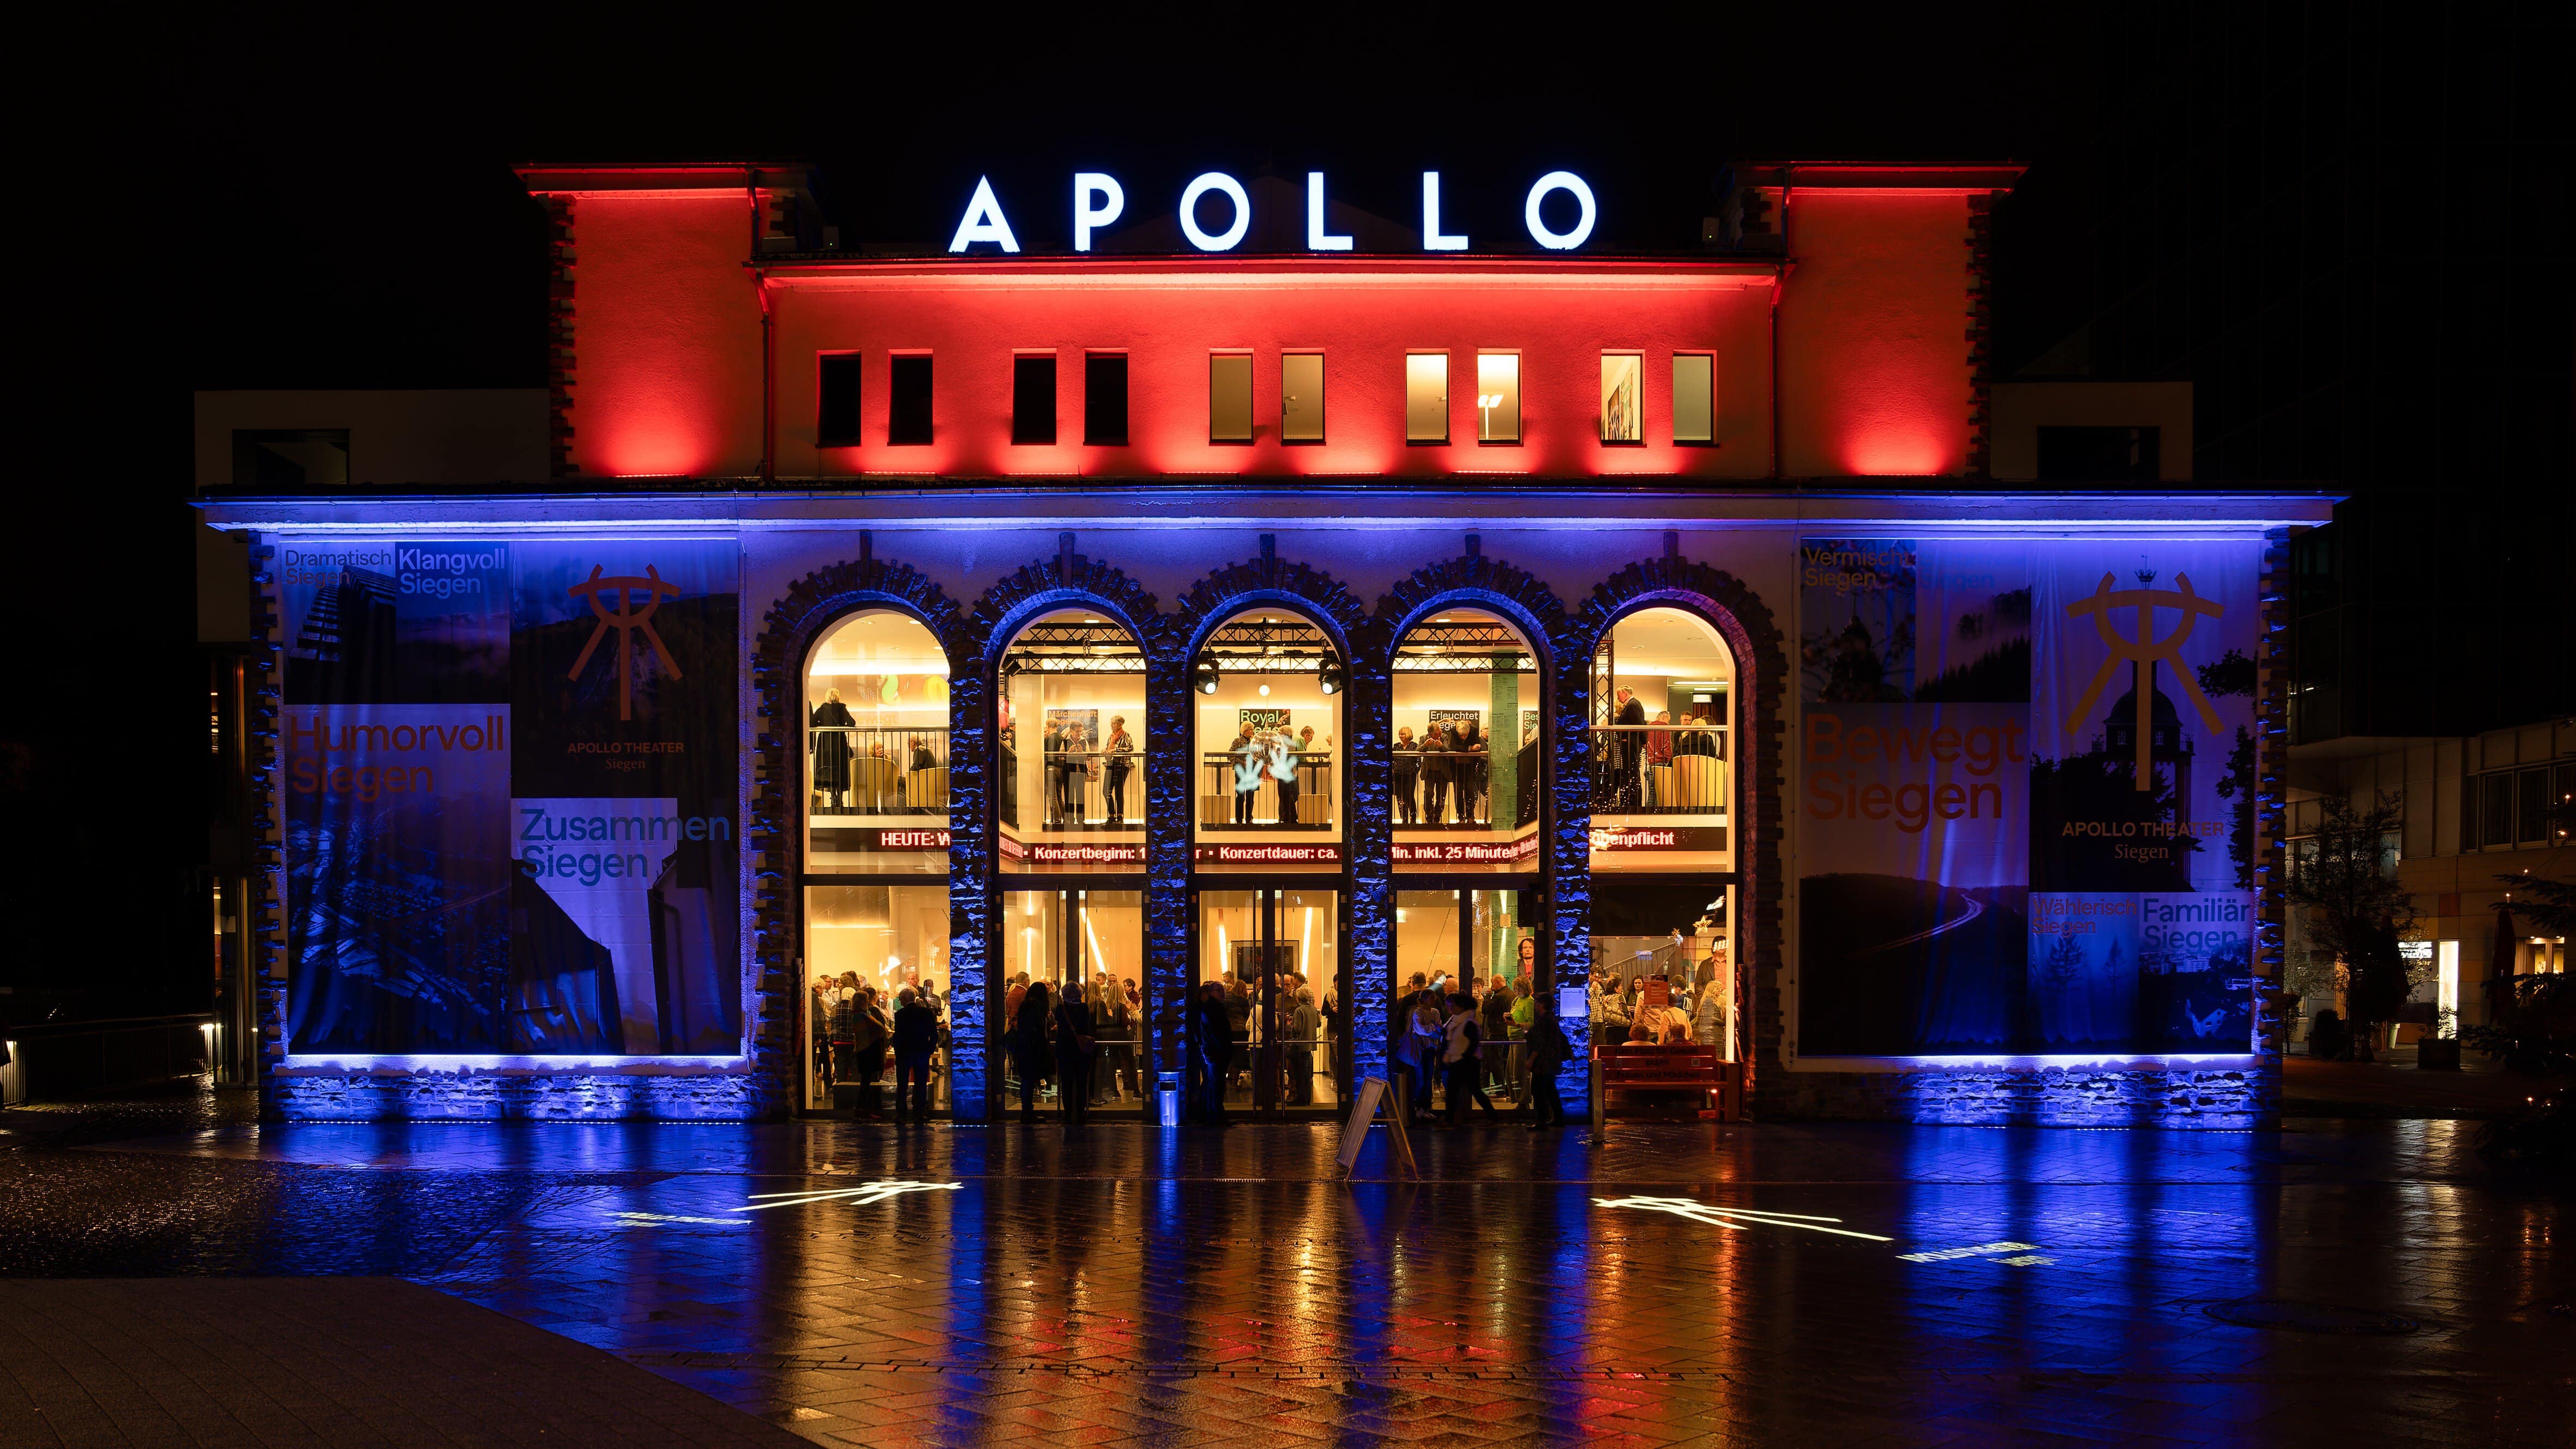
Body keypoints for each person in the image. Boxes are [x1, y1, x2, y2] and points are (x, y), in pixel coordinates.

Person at [1441, 992, 1492, 1125]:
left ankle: (1492, 1116)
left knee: (1473, 1091)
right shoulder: (1456, 1021)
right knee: (1454, 1091)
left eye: (1452, 1006)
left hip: (1467, 1063)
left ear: (1461, 1007)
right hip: (1457, 1061)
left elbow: (1473, 1044)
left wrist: (1463, 1057)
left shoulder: (1468, 1023)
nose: (1450, 1008)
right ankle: (1449, 1119)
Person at [1052, 983, 1097, 1127]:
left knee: (1066, 1084)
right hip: (1081, 1050)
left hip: (1065, 1049)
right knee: (1081, 1083)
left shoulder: (1060, 1009)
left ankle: (1068, 1114)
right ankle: (1081, 1113)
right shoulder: (1084, 1008)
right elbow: (1088, 1027)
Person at [891, 985, 938, 1120]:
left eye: (900, 999)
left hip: (905, 1053)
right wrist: (929, 1049)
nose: (900, 1002)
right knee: (921, 1084)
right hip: (922, 1052)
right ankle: (919, 1113)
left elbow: (898, 1036)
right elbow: (934, 1034)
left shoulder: (900, 1015)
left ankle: (902, 1114)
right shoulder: (926, 1013)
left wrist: (898, 1050)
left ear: (905, 999)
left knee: (902, 1085)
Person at [1008, 982, 1053, 1121]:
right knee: (1028, 1080)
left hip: (1027, 1049)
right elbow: (1035, 1030)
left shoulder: (1028, 1007)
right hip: (1031, 1049)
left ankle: (1027, 1111)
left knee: (1028, 1080)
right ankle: (1027, 1112)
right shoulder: (1033, 1008)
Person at [1191, 980, 1233, 1126]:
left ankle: (1210, 1114)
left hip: (1212, 1051)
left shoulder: (1210, 1008)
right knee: (1216, 1084)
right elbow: (1216, 1032)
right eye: (1218, 990)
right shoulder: (1213, 1009)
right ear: (1209, 994)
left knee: (1213, 1083)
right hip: (1215, 1052)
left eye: (1223, 990)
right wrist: (1222, 1049)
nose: (1222, 993)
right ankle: (1216, 1116)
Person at [1526, 995, 1570, 1129]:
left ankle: (1541, 1121)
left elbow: (1540, 1044)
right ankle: (1558, 1118)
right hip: (1552, 1060)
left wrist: (1531, 1061)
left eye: (1537, 1002)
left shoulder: (1544, 1021)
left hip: (1543, 1062)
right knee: (1550, 1089)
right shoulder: (1552, 1019)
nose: (1535, 1005)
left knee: (1538, 1090)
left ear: (1542, 1004)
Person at [810, 689, 856, 809]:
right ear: (838, 697)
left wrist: (822, 725)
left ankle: (832, 798)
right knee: (840, 770)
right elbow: (852, 722)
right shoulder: (842, 709)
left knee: (828, 771)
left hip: (825, 745)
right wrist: (841, 727)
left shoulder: (822, 709)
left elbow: (811, 723)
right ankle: (839, 800)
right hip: (839, 744)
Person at [852, 984, 891, 1120]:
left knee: (866, 1083)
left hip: (866, 1051)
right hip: (866, 1052)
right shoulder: (860, 1016)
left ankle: (864, 1110)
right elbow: (879, 1029)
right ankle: (863, 1110)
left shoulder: (863, 1015)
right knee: (865, 1084)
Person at [1611, 686, 1647, 808]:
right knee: (1631, 772)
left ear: (1625, 694)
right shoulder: (1633, 704)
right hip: (1631, 743)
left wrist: (1644, 741)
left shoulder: (1632, 705)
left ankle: (1633, 802)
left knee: (1632, 772)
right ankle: (1632, 801)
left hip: (1630, 743)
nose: (1618, 698)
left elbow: (1639, 725)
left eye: (1619, 695)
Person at [1285, 987, 1321, 1104]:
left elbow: (1297, 1028)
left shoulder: (1299, 1011)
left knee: (1299, 1074)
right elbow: (1318, 1024)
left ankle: (1301, 1099)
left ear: (1298, 998)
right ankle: (1307, 1098)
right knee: (1307, 1074)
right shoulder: (1314, 1009)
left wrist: (1289, 1025)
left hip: (1300, 1046)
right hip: (1310, 1044)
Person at [1452, 720, 1487, 825]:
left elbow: (1479, 747)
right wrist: (1469, 748)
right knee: (1458, 793)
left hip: (1470, 767)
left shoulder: (1474, 730)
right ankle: (1461, 818)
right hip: (1457, 769)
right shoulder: (1453, 731)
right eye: (1461, 736)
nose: (1464, 738)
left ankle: (1470, 816)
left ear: (1469, 732)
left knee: (1470, 792)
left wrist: (1462, 750)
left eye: (1466, 736)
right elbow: (1453, 747)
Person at [1418, 724, 1452, 825]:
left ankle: (1437, 818)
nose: (1439, 735)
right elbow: (1417, 750)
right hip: (1429, 772)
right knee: (1429, 793)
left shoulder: (1444, 737)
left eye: (1439, 733)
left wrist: (1441, 746)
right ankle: (1429, 818)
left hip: (1442, 772)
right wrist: (1426, 745)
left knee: (1441, 796)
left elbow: (1448, 749)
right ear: (1430, 734)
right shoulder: (1424, 738)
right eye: (1436, 734)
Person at [1102, 716, 1133, 825]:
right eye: (1111, 723)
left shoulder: (1126, 735)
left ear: (1120, 724)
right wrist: (1105, 751)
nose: (1111, 725)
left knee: (1119, 791)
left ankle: (1120, 817)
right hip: (1110, 765)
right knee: (1106, 791)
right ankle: (1112, 815)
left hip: (1121, 765)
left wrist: (1115, 750)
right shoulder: (1111, 737)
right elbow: (1108, 750)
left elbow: (1130, 748)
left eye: (1113, 724)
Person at [1229, 722, 1262, 825]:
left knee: (1251, 796)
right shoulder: (1238, 741)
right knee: (1240, 796)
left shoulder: (1255, 742)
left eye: (1253, 729)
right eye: (1251, 729)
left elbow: (1259, 756)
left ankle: (1249, 819)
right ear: (1245, 730)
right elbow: (1230, 755)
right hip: (1241, 773)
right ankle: (1239, 819)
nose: (1253, 732)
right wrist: (1241, 763)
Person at [1271, 727, 1302, 826]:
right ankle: (1286, 817)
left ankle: (1290, 818)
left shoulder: (1290, 743)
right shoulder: (1282, 743)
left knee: (1287, 795)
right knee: (1283, 796)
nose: (1279, 734)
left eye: (1281, 733)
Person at [1645, 711, 1675, 807]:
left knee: (1652, 791)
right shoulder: (1663, 726)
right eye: (1669, 721)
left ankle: (1648, 812)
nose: (1669, 723)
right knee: (1660, 792)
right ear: (1664, 717)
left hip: (1650, 762)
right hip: (1660, 762)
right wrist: (1669, 759)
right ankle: (1657, 813)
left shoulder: (1649, 728)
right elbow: (1665, 745)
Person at [1392, 725, 1420, 826]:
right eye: (1400, 734)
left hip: (1410, 776)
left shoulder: (1414, 746)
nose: (1400, 736)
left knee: (1409, 797)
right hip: (1398, 776)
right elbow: (1392, 760)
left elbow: (1418, 762)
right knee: (1400, 798)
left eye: (1403, 734)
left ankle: (1413, 818)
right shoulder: (1396, 746)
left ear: (1408, 734)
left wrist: (1414, 771)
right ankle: (1404, 819)